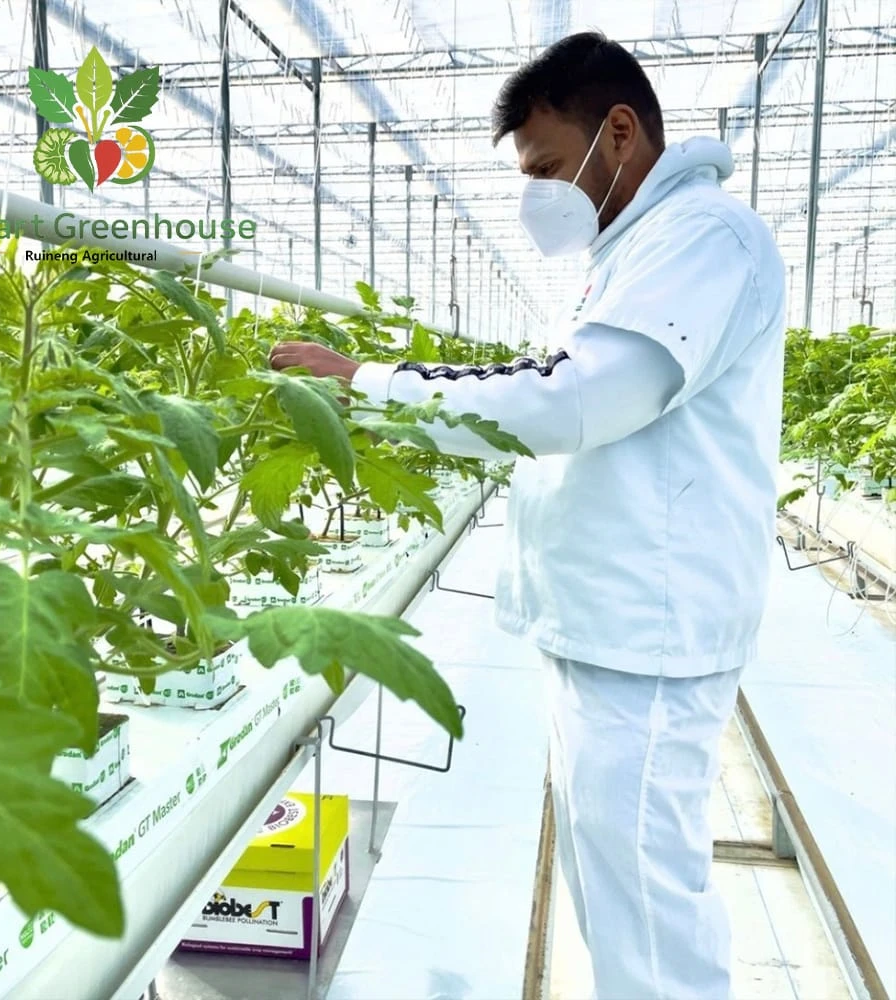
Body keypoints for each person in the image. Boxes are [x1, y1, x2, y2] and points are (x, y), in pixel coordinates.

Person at [269, 30, 786, 1000]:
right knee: (613, 899)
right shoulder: (630, 255)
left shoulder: (703, 241)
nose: (537, 195)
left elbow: (571, 403)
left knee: (648, 918)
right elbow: (549, 389)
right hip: (607, 630)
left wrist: (371, 384)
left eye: (547, 167)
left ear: (619, 132)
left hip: (649, 636)